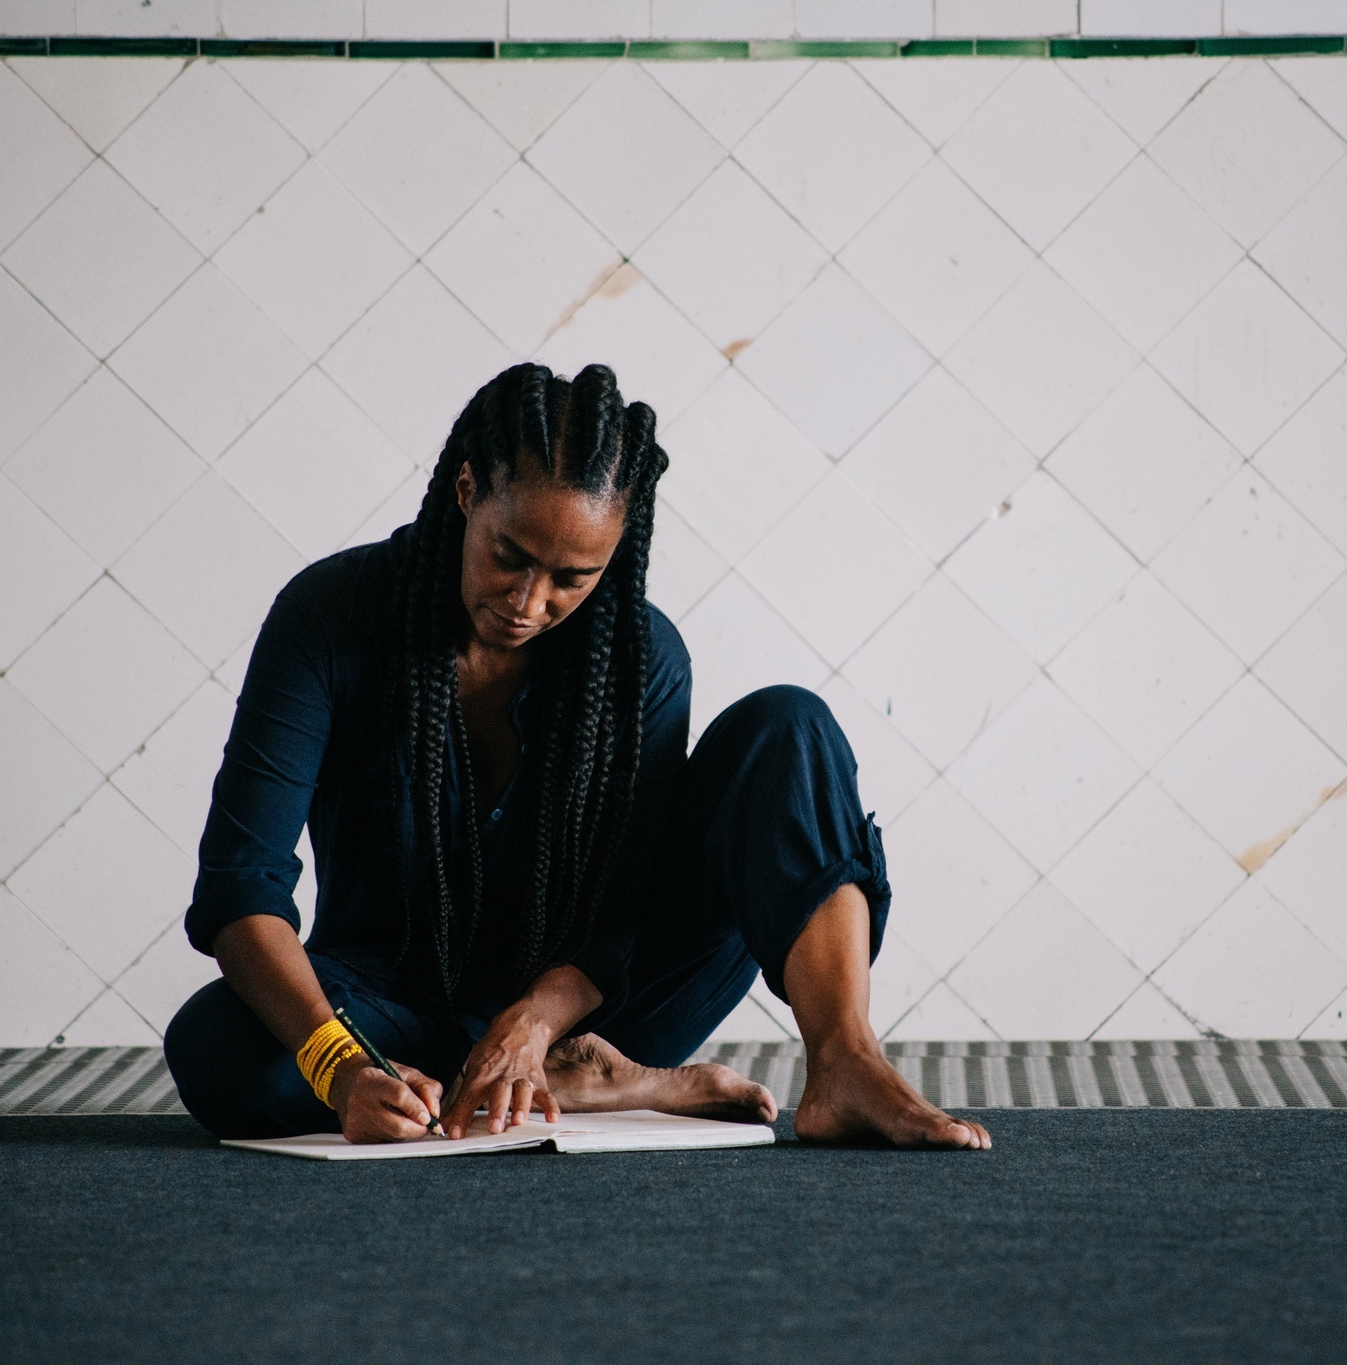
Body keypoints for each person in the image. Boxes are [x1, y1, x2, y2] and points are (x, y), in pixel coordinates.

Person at [163, 362, 989, 1151]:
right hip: (387, 1010)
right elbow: (240, 885)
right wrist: (340, 1068)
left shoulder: (641, 659)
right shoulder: (328, 617)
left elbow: (619, 916)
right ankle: (586, 1085)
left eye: (571, 577)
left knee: (790, 727)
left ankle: (844, 1063)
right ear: (465, 492)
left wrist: (533, 1023)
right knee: (215, 1043)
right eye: (509, 556)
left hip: (596, 1010)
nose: (529, 602)